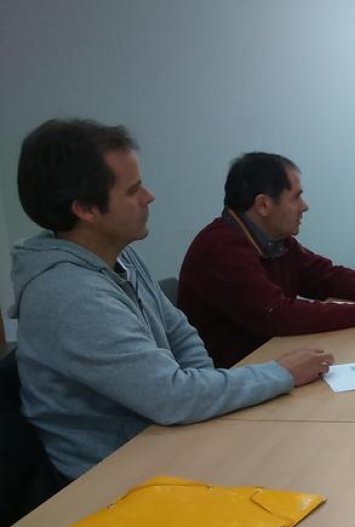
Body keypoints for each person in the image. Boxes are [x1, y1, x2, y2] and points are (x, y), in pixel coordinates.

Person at [11, 119, 331, 480]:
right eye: (133, 191)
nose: (149, 196)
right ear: (85, 208)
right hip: (114, 480)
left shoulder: (118, 255)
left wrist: (206, 393)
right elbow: (172, 397)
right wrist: (281, 373)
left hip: (168, 441)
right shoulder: (70, 296)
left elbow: (180, 331)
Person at [179, 153, 355, 367]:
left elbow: (326, 276)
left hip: (272, 360)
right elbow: (278, 315)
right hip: (236, 376)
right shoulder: (221, 249)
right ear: (263, 204)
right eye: (296, 198)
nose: (304, 207)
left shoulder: (275, 240)